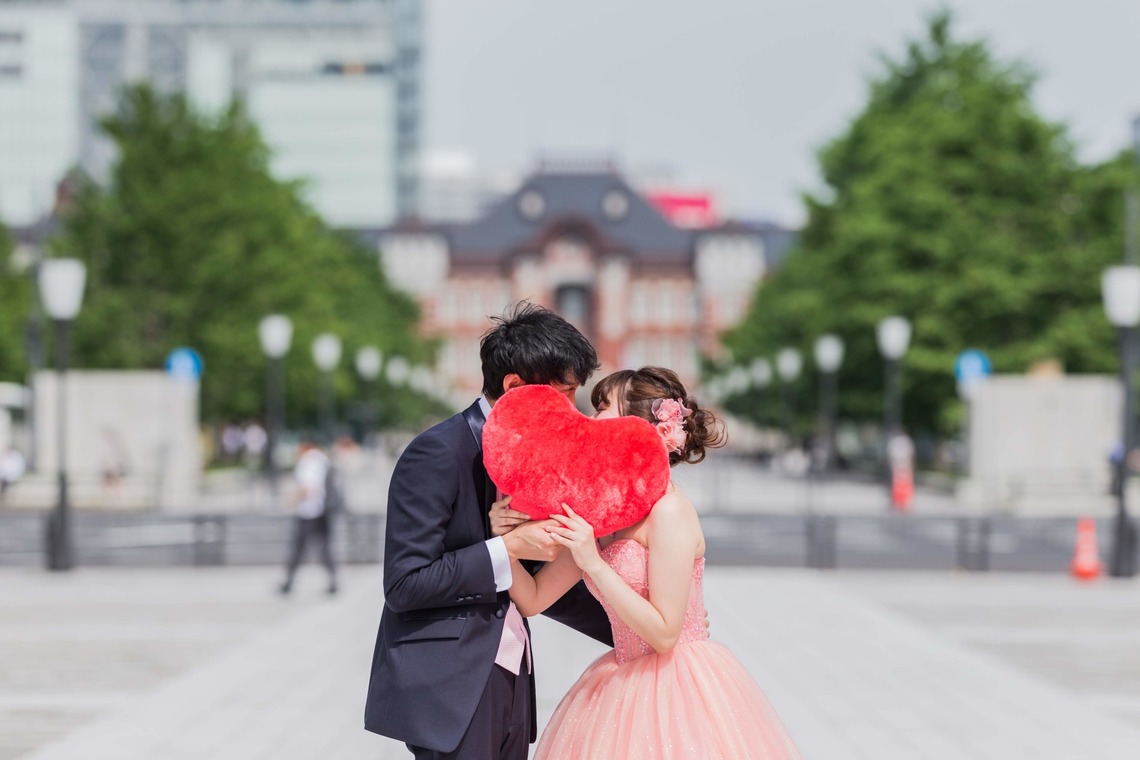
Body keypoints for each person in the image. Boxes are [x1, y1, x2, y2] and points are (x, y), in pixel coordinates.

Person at [498, 366, 802, 759]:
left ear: (637, 427)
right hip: (618, 681)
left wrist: (593, 562)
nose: (591, 418)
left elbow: (664, 635)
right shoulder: (601, 511)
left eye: (603, 406)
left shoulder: (670, 511)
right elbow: (534, 599)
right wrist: (501, 545)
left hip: (679, 688)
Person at [363, 302, 614, 760]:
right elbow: (404, 584)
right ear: (514, 386)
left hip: (512, 672)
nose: (574, 411)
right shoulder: (438, 452)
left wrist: (633, 625)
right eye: (565, 393)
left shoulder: (540, 456)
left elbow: (542, 579)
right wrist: (506, 548)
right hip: (449, 684)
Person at [278, 438, 338, 595]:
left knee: (298, 547)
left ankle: (288, 582)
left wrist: (292, 500)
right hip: (323, 510)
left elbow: (309, 487)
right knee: (324, 546)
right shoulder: (322, 459)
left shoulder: (309, 461)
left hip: (310, 511)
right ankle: (333, 581)